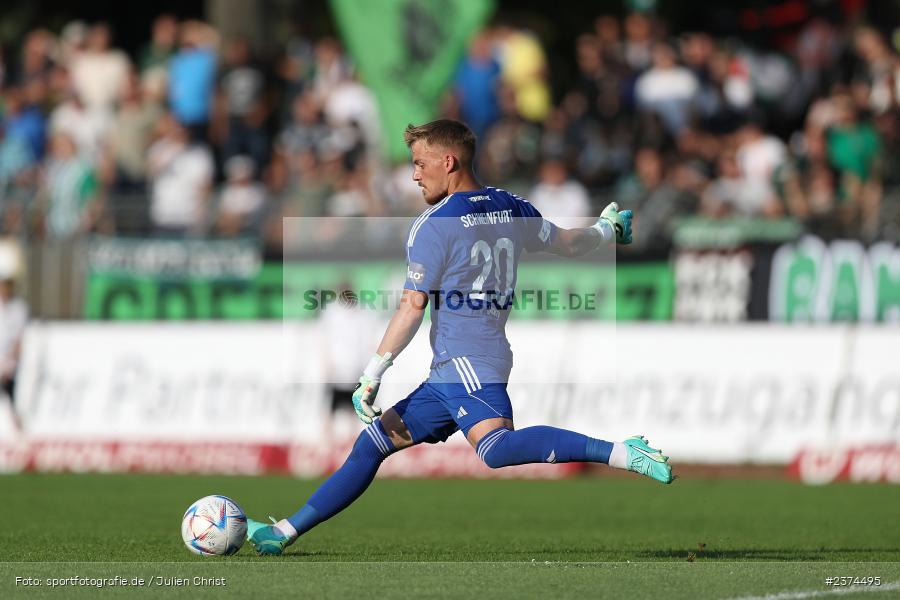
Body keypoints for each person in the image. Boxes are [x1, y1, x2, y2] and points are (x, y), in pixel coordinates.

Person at [246, 119, 672, 556]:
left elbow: (413, 305)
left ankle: (621, 452)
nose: (414, 174)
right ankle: (284, 532)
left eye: (419, 163)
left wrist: (373, 371)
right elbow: (568, 243)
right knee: (372, 445)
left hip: (467, 360)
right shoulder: (512, 206)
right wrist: (607, 230)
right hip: (461, 364)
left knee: (496, 447)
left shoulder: (434, 224)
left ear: (447, 161)